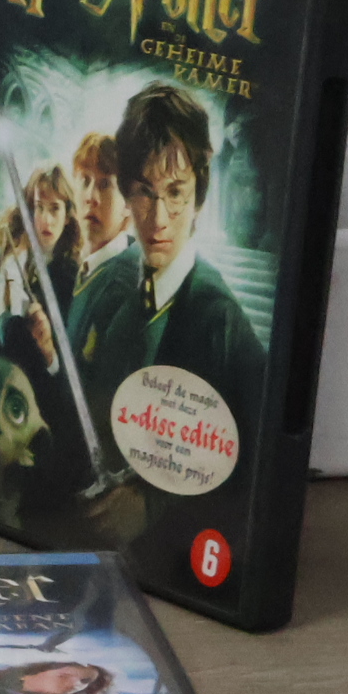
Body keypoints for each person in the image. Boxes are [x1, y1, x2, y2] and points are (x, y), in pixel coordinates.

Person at [65, 83, 266, 552]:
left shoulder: (220, 321)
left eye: (176, 192)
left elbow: (249, 475)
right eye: (144, 192)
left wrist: (150, 505)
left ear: (199, 197)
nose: (158, 219)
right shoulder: (116, 291)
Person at [0, 161, 89, 508]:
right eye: (37, 207)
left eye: (54, 208)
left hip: (48, 421)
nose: (45, 219)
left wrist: (48, 352)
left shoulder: (69, 276)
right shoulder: (22, 263)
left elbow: (71, 375)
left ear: (68, 215)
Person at [70, 131, 135, 294]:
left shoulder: (129, 281)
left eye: (105, 184)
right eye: (85, 181)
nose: (91, 197)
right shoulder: (78, 268)